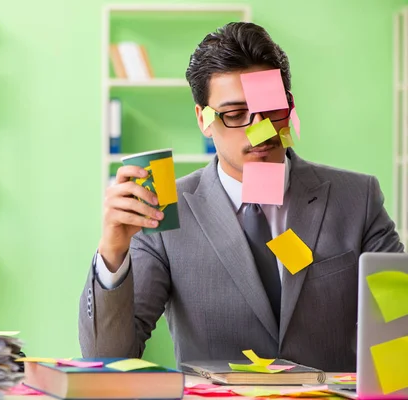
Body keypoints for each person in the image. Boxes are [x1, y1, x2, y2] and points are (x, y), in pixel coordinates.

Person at [78, 21, 404, 372]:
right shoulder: (165, 213)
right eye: (235, 114)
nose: (259, 129)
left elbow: (400, 323)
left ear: (290, 107)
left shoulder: (356, 198)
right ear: (203, 119)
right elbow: (108, 359)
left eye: (272, 109)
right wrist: (112, 252)